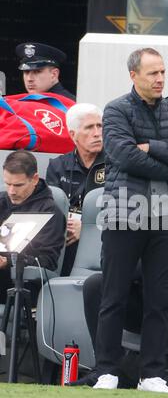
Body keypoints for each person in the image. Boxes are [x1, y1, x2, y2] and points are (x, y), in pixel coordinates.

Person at [92, 47, 168, 392]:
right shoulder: (115, 110)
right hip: (124, 213)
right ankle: (106, 370)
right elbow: (125, 156)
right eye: (152, 73)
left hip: (167, 215)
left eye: (161, 73)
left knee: (160, 298)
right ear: (133, 75)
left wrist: (151, 146)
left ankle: (152, 374)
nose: (159, 79)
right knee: (113, 296)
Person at [68, 222, 168, 389]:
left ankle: (163, 372)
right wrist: (142, 268)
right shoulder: (127, 215)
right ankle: (105, 370)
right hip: (142, 297)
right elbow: (110, 264)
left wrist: (131, 268)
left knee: (166, 287)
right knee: (95, 285)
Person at [46, 103, 105, 276]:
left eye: (100, 126)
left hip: (105, 239)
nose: (97, 133)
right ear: (73, 135)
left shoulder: (118, 164)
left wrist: (87, 228)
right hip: (67, 238)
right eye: (89, 127)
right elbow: (52, 210)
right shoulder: (58, 166)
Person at [0, 150, 65, 303]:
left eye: (18, 185)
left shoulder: (50, 212)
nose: (11, 191)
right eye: (7, 184)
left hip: (23, 282)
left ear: (34, 179)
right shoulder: (1, 201)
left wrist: (8, 262)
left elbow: (47, 262)